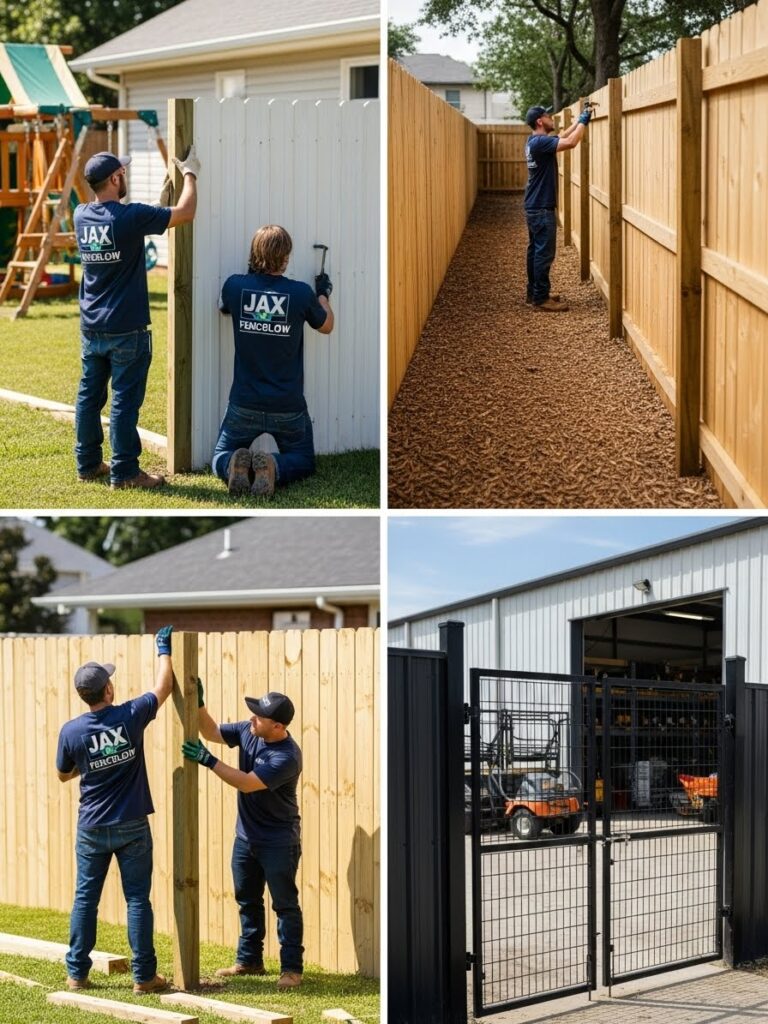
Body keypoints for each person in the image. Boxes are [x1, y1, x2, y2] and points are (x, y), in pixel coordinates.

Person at [55, 626, 175, 994]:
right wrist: (163, 648)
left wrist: (91, 764)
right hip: (132, 824)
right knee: (137, 899)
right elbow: (164, 687)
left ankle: (77, 975)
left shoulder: (71, 731)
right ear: (107, 690)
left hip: (92, 827)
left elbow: (63, 775)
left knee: (85, 899)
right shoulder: (130, 715)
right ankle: (144, 978)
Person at [74, 147, 200, 489]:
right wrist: (190, 173)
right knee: (124, 403)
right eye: (123, 173)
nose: (125, 176)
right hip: (127, 330)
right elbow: (186, 212)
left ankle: (87, 465)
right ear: (115, 179)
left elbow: (134, 223)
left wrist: (158, 208)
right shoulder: (130, 218)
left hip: (92, 328)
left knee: (89, 397)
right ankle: (126, 472)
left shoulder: (81, 214)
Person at [182, 685, 304, 990]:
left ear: (277, 726)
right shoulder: (250, 731)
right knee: (247, 899)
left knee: (285, 906)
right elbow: (210, 732)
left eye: (259, 715)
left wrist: (209, 762)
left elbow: (249, 784)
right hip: (246, 838)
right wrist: (198, 704)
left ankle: (292, 969)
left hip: (278, 841)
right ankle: (250, 959)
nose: (252, 717)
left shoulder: (287, 757)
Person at [211, 224, 334, 497]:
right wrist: (323, 293)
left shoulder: (234, 286)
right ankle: (273, 465)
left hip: (244, 403)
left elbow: (223, 308)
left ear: (253, 255)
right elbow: (326, 326)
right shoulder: (301, 293)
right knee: (303, 460)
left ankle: (233, 463)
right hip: (287, 406)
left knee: (220, 455)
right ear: (286, 257)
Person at [524, 103, 591, 312]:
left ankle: (534, 293)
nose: (551, 118)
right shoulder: (539, 143)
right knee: (544, 254)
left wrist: (578, 120)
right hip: (542, 207)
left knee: (535, 252)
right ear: (539, 121)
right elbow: (570, 142)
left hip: (534, 205)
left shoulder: (534, 141)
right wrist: (584, 120)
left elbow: (563, 135)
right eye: (548, 116)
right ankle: (541, 298)